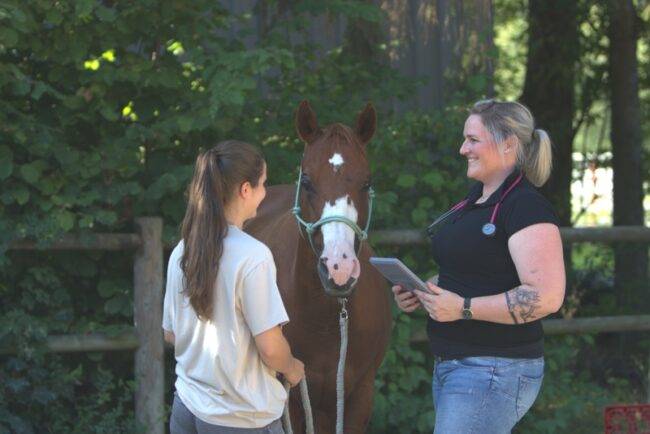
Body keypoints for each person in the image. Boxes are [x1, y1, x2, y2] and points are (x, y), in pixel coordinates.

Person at [392, 100, 566, 433]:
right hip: (456, 364)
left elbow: (546, 296)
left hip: (495, 368)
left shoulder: (525, 206)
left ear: (508, 144)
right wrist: (424, 288)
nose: (462, 149)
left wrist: (463, 308)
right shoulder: (474, 202)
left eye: (473, 140)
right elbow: (475, 272)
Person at [162, 140, 304, 434]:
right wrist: (292, 368)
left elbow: (171, 333)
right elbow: (270, 349)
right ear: (245, 190)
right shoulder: (253, 256)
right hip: (240, 420)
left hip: (186, 409)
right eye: (263, 183)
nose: (265, 193)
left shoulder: (183, 250)